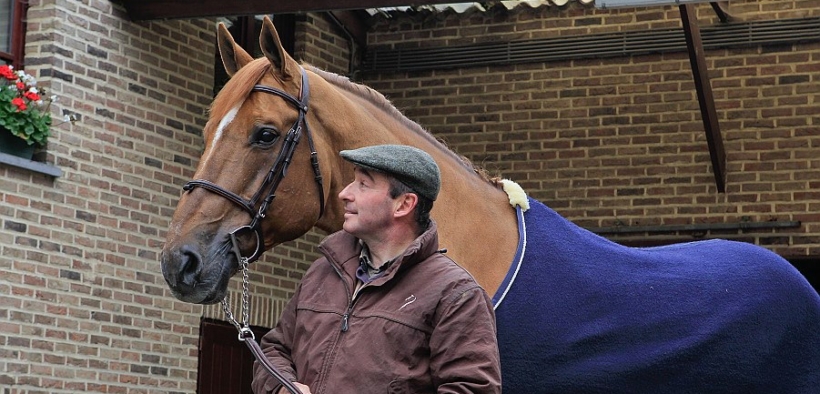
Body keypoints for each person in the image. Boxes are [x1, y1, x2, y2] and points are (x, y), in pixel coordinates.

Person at [252, 144, 502, 394]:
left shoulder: (456, 294)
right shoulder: (321, 272)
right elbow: (274, 350)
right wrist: (283, 388)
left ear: (403, 204)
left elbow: (472, 388)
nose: (344, 194)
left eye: (363, 184)